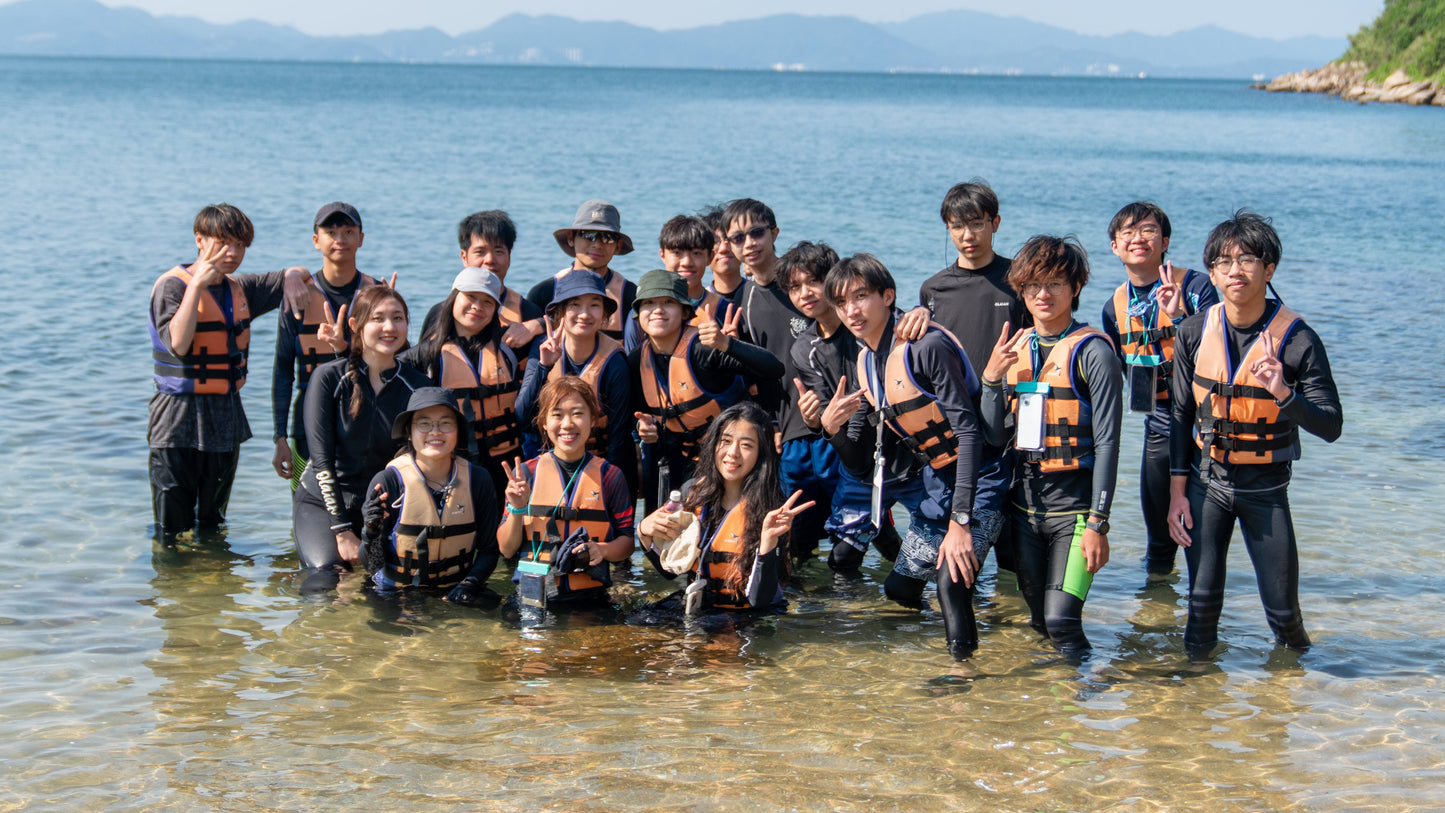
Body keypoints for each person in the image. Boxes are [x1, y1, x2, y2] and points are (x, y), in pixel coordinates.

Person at [1168, 210, 1342, 658]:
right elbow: (1181, 416)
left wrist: (1283, 391)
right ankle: (1193, 704)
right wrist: (1177, 495)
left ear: (1269, 269)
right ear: (1212, 273)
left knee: (1283, 613)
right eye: (1223, 262)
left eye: (1247, 259)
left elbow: (1331, 425)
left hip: (1266, 490)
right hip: (1207, 484)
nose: (1235, 271)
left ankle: (1292, 699)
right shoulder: (1191, 332)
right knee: (1201, 605)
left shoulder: (1298, 340)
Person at [820, 254, 985, 661]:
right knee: (898, 589)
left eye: (861, 297)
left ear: (888, 296)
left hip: (983, 477)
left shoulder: (925, 344)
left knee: (951, 582)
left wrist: (960, 520)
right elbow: (860, 463)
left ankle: (963, 675)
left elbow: (969, 432)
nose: (852, 310)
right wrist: (832, 429)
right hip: (939, 483)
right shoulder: (865, 362)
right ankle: (932, 649)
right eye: (842, 303)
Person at [979, 235, 1122, 657]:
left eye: (1056, 284)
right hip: (1023, 512)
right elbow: (992, 435)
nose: (1043, 295)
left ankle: (1087, 701)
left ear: (1075, 287)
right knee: (1040, 620)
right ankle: (1050, 713)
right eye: (1033, 286)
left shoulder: (1093, 352)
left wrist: (1098, 523)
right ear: (1021, 290)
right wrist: (990, 380)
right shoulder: (1016, 347)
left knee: (1061, 621)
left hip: (1075, 515)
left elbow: (1110, 441)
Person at [148, 203, 307, 540]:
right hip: (176, 418)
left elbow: (295, 273)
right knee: (171, 529)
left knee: (212, 523)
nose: (233, 253)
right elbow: (178, 342)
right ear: (199, 240)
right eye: (223, 243)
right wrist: (197, 287)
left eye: (240, 245)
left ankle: (213, 585)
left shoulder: (241, 287)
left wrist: (292, 277)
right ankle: (172, 586)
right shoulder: (173, 286)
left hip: (224, 415)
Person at [1101, 201, 1217, 576]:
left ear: (1165, 241)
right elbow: (1115, 378)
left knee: (1203, 541)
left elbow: (1225, 352)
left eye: (1148, 231)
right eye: (1128, 233)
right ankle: (1154, 617)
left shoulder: (1197, 286)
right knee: (1158, 545)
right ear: (1115, 247)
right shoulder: (1113, 307)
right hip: (1160, 425)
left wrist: (1182, 316)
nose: (1139, 239)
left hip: (1206, 425)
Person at [293, 285, 431, 591]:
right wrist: (343, 532)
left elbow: (419, 462)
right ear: (355, 326)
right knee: (324, 584)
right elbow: (321, 460)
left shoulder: (416, 387)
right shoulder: (329, 377)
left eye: (398, 318)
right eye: (378, 318)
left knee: (389, 593)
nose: (389, 327)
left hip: (380, 509)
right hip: (324, 504)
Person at [920, 179, 1026, 574]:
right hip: (953, 432)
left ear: (995, 223)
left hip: (1008, 428)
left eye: (977, 223)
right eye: (957, 225)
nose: (968, 235)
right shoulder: (933, 289)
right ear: (947, 227)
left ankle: (1012, 629)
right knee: (957, 555)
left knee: (1014, 557)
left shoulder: (1018, 281)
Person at [785, 241, 902, 571]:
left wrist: (923, 312)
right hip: (856, 451)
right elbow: (827, 414)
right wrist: (816, 421)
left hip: (901, 443)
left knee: (884, 531)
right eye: (795, 288)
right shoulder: (805, 348)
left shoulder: (869, 322)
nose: (806, 293)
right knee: (849, 550)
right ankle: (851, 616)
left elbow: (902, 320)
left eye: (814, 282)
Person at [629, 269, 784, 515]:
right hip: (677, 456)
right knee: (659, 543)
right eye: (649, 303)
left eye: (668, 303)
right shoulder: (636, 361)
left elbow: (774, 368)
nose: (658, 310)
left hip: (728, 458)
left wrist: (727, 344)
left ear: (685, 312)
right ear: (638, 315)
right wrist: (644, 430)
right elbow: (636, 415)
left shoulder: (703, 350)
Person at [637, 402, 814, 614]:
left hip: (743, 618)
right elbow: (671, 572)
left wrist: (768, 542)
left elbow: (762, 600)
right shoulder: (692, 493)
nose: (733, 453)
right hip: (699, 608)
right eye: (726, 441)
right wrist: (643, 532)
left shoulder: (772, 512)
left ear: (762, 454)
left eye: (746, 445)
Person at [497, 377, 636, 608]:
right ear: (543, 423)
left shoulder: (610, 476)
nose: (567, 424)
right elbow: (506, 549)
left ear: (593, 420)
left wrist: (603, 549)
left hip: (590, 599)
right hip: (533, 597)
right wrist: (518, 509)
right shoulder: (524, 474)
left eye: (578, 413)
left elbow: (627, 544)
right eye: (557, 414)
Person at [272, 202, 380, 492]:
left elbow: (397, 362)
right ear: (316, 241)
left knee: (363, 508)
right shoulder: (297, 296)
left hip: (364, 419)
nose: (340, 239)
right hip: (307, 421)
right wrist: (279, 436)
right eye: (331, 232)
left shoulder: (377, 293)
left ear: (361, 239)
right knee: (304, 505)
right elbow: (283, 370)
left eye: (348, 231)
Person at [359, 388, 501, 603]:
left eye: (446, 423)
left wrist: (470, 583)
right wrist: (371, 532)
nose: (435, 432)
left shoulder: (478, 480)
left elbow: (489, 550)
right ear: (409, 432)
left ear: (458, 432)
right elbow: (371, 565)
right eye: (424, 424)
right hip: (396, 591)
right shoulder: (388, 481)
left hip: (456, 587)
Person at [401, 267, 521, 497]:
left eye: (488, 302)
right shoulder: (427, 355)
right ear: (454, 297)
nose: (478, 306)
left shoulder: (509, 348)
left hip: (505, 465)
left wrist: (535, 324)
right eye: (471, 297)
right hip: (453, 466)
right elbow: (383, 371)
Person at [515, 270, 635, 495]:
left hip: (599, 465)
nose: (584, 314)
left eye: (594, 305)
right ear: (560, 313)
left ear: (604, 315)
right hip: (552, 461)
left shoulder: (614, 362)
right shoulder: (542, 349)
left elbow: (620, 435)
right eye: (575, 305)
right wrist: (543, 367)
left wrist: (607, 485)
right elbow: (523, 417)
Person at [420, 210, 544, 360]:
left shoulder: (529, 314)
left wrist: (541, 324)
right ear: (464, 257)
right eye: (480, 252)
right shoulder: (438, 314)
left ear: (509, 257)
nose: (490, 260)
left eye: (498, 251)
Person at [523, 199, 637, 344]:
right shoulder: (544, 293)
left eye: (607, 238)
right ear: (571, 238)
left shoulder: (630, 296)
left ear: (618, 246)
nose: (597, 244)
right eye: (588, 235)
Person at [700, 203, 744, 302]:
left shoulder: (759, 294)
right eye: (715, 242)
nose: (723, 248)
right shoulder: (699, 305)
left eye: (729, 239)